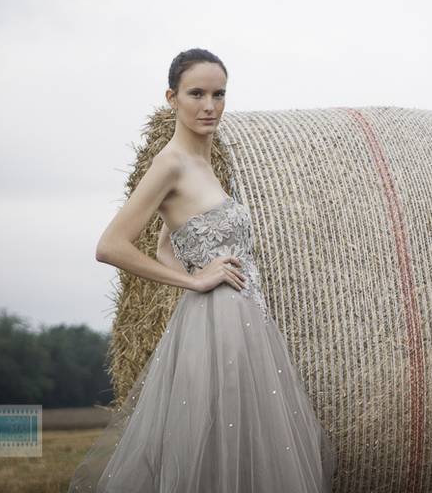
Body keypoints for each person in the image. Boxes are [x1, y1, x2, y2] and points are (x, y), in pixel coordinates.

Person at [68, 49, 335, 492]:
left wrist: (191, 260)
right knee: (215, 455)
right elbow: (110, 245)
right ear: (171, 98)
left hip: (246, 322)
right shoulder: (170, 163)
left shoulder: (205, 165)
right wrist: (195, 279)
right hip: (214, 324)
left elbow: (166, 242)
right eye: (196, 94)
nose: (209, 105)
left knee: (247, 452)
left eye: (218, 94)